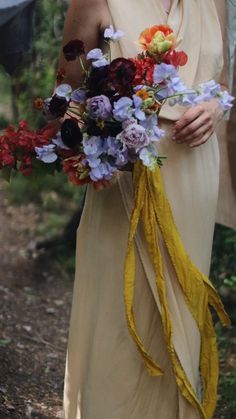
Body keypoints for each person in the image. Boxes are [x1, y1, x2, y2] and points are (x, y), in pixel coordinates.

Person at [60, 1, 229, 418]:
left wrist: (213, 109)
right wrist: (110, 134)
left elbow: (222, 83)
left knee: (181, 317)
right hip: (124, 179)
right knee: (119, 312)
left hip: (194, 173)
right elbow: (68, 92)